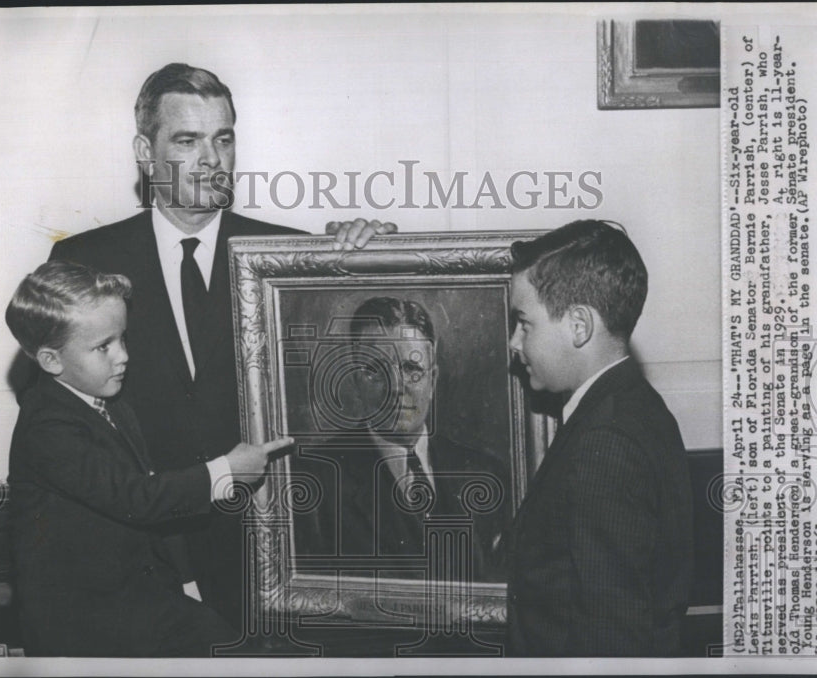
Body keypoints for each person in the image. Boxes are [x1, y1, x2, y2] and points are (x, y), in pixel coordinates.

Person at [46, 63, 394, 628]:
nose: (211, 158)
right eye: (187, 140)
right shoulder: (83, 263)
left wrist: (380, 257)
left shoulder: (291, 259)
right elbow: (69, 430)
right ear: (145, 149)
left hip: (272, 560)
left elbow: (357, 380)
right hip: (140, 564)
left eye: (223, 138)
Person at [4, 260, 293, 656]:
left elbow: (154, 510)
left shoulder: (110, 399)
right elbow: (137, 498)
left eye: (122, 338)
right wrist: (227, 471)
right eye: (103, 346)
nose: (122, 356)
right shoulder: (47, 425)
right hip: (81, 626)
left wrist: (186, 584)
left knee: (233, 650)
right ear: (51, 360)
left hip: (143, 601)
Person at [505, 219, 694, 656]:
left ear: (578, 326)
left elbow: (611, 642)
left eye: (524, 323)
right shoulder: (633, 408)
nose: (514, 342)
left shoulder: (605, 442)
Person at [293, 297, 509, 582]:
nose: (396, 388)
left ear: (432, 380)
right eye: (377, 372)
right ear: (357, 382)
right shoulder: (315, 481)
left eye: (411, 369)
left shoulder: (485, 473)